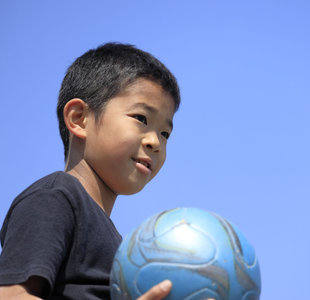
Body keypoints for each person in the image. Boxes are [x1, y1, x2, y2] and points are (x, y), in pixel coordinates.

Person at [0, 43, 189, 299]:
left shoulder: (120, 246)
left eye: (165, 133)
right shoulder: (54, 198)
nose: (155, 142)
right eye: (141, 119)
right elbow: (12, 295)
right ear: (79, 118)